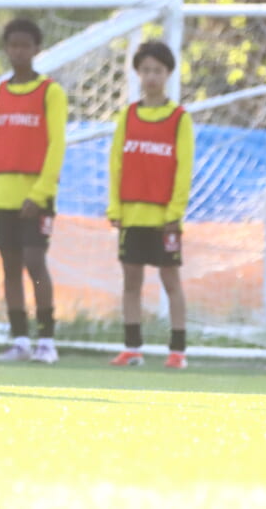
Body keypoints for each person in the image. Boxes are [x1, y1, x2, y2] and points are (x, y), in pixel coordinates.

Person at [0, 19, 67, 364]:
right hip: (1, 193)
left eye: (25, 45)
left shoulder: (50, 92)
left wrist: (41, 192)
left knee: (35, 262)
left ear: (36, 49)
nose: (18, 51)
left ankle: (46, 340)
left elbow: (56, 145)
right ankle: (19, 339)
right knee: (9, 267)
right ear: (7, 49)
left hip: (35, 194)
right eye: (13, 45)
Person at [107, 41, 194, 369]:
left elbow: (183, 169)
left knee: (171, 281)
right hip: (131, 216)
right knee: (131, 282)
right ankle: (132, 348)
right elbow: (116, 164)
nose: (151, 76)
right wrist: (115, 209)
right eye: (145, 70)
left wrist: (174, 213)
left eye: (157, 70)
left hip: (163, 218)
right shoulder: (128, 116)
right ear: (138, 74)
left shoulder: (179, 119)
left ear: (168, 73)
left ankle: (178, 351)